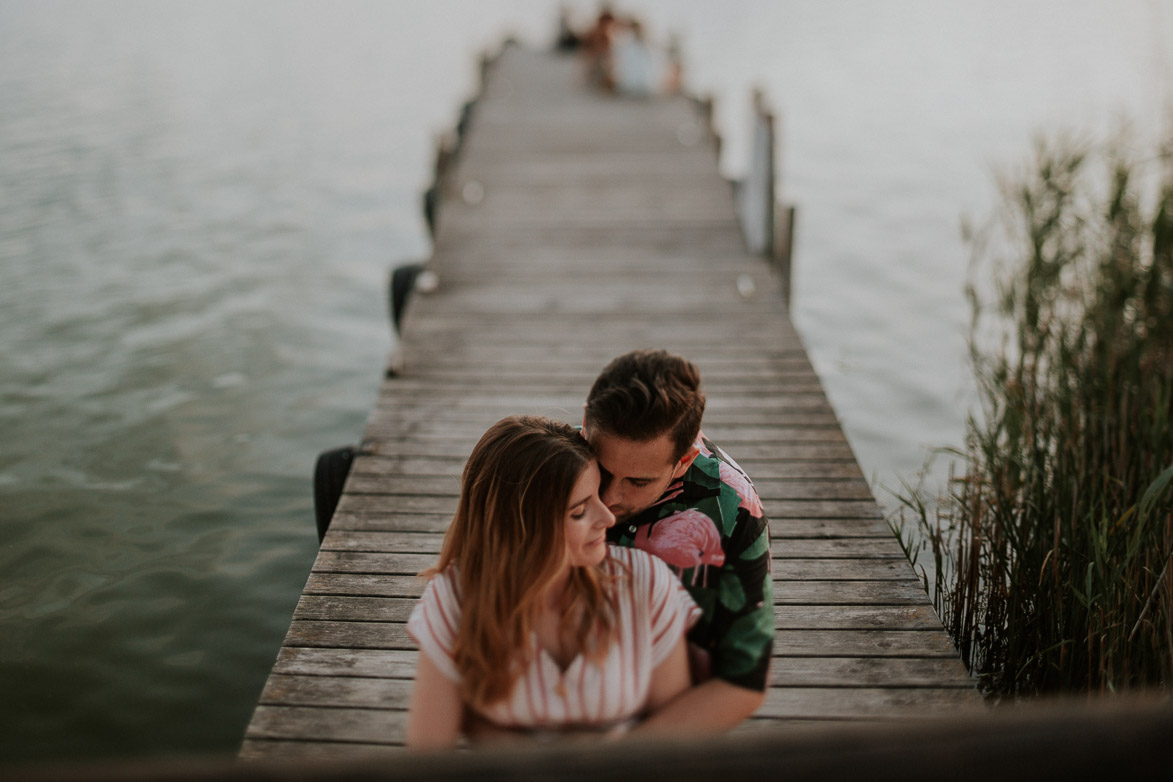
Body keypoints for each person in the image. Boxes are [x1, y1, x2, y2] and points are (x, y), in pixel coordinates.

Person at [405, 415, 700, 749]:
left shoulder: (645, 583)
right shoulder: (453, 598)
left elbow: (676, 742)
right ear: (523, 528)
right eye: (579, 512)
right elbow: (427, 756)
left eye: (597, 496)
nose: (606, 517)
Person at [582, 349, 774, 732]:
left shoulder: (733, 508)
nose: (607, 499)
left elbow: (744, 679)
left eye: (638, 482)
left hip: (668, 725)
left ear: (684, 460)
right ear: (585, 425)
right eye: (602, 471)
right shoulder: (551, 468)